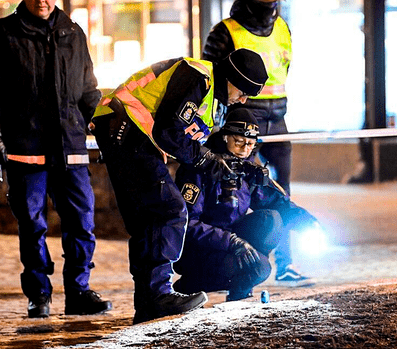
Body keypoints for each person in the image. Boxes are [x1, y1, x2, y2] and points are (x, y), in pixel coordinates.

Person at [90, 48, 268, 324]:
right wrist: (206, 160)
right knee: (171, 209)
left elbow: (179, 136)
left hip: (124, 131)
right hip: (126, 127)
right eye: (243, 91)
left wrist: (216, 161)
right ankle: (159, 294)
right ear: (232, 77)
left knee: (146, 220)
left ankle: (148, 302)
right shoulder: (198, 76)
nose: (241, 100)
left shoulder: (208, 97)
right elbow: (168, 131)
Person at [0, 0, 111, 318]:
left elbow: (88, 89)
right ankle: (39, 294)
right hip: (26, 145)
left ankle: (78, 291)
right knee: (33, 224)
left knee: (82, 222)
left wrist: (107, 126)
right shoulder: (3, 33)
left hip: (71, 145)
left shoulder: (74, 32)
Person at [203, 0, 303, 283]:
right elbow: (214, 81)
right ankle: (251, 264)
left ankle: (285, 263)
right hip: (244, 118)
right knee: (244, 188)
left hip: (279, 117)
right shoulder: (226, 31)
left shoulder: (282, 27)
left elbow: (284, 69)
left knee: (281, 192)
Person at [173, 108, 319, 300]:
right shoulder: (202, 167)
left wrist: (308, 222)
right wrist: (231, 242)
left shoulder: (247, 169)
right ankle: (191, 284)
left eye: (250, 144)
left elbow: (276, 203)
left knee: (271, 220)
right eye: (239, 142)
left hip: (231, 243)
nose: (244, 149)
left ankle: (240, 288)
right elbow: (187, 224)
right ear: (225, 137)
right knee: (260, 267)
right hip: (199, 250)